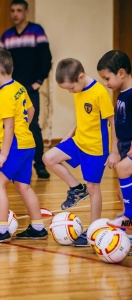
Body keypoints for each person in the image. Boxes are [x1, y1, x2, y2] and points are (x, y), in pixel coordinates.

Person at [43, 58, 118, 246]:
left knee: (94, 188)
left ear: (81, 76)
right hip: (78, 141)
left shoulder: (100, 92)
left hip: (96, 148)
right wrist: (69, 134)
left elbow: (112, 121)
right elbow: (83, 117)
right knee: (49, 158)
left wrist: (114, 151)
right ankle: (77, 189)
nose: (70, 92)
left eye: (70, 88)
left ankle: (93, 229)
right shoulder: (78, 89)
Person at [0, 48, 48, 242]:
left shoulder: (3, 94)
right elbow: (31, 109)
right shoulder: (19, 86)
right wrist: (23, 129)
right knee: (23, 186)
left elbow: (8, 127)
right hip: (27, 143)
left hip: (15, 146)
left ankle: (1, 230)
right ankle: (37, 227)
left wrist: (3, 154)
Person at [0, 0, 52, 179]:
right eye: (12, 10)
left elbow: (46, 58)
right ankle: (15, 160)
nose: (15, 14)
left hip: (29, 88)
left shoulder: (36, 31)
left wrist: (38, 82)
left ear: (26, 12)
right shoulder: (6, 36)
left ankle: (39, 164)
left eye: (19, 10)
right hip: (10, 87)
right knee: (10, 125)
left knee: (33, 125)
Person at [97, 50, 132, 241]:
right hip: (125, 145)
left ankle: (129, 218)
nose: (105, 83)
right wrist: (117, 149)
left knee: (123, 170)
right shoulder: (121, 94)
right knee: (121, 191)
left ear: (121, 72)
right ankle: (129, 224)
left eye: (107, 78)